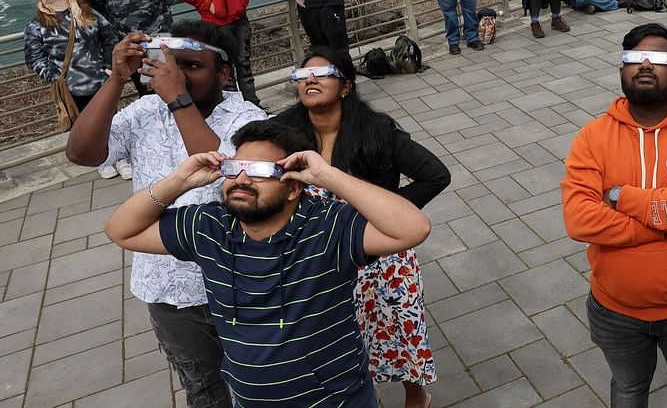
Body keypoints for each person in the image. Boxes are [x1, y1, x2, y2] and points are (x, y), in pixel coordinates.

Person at [104, 120, 432, 407]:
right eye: (234, 168)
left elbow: (413, 228)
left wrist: (327, 175)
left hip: (337, 401)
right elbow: (120, 230)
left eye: (259, 171)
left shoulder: (327, 227)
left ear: (292, 188)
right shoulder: (209, 227)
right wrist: (179, 180)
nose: (242, 178)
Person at [66, 20, 266, 408]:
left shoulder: (248, 118)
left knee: (257, 380)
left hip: (239, 281)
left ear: (224, 72)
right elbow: (82, 153)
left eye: (191, 67)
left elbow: (227, 175)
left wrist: (178, 100)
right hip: (167, 287)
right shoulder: (144, 110)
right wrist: (116, 81)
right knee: (202, 386)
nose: (177, 76)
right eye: (170, 66)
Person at [561, 23, 667, 408]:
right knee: (627, 390)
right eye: (633, 57)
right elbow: (579, 220)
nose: (644, 64)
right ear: (620, 70)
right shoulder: (592, 137)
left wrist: (620, 197)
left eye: (658, 58)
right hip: (614, 307)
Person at [273, 48, 450, 408]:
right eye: (303, 75)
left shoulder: (376, 130)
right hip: (317, 252)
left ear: (345, 86)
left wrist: (381, 214)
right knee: (338, 330)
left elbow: (436, 175)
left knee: (400, 325)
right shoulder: (284, 131)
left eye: (322, 73)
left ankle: (416, 396)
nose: (310, 79)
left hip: (381, 253)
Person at [23, 0, 124, 178]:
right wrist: (54, 78)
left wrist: (108, 66)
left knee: (111, 120)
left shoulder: (88, 14)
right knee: (85, 125)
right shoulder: (37, 25)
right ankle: (102, 161)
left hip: (100, 81)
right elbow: (34, 56)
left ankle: (121, 157)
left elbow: (109, 38)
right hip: (70, 88)